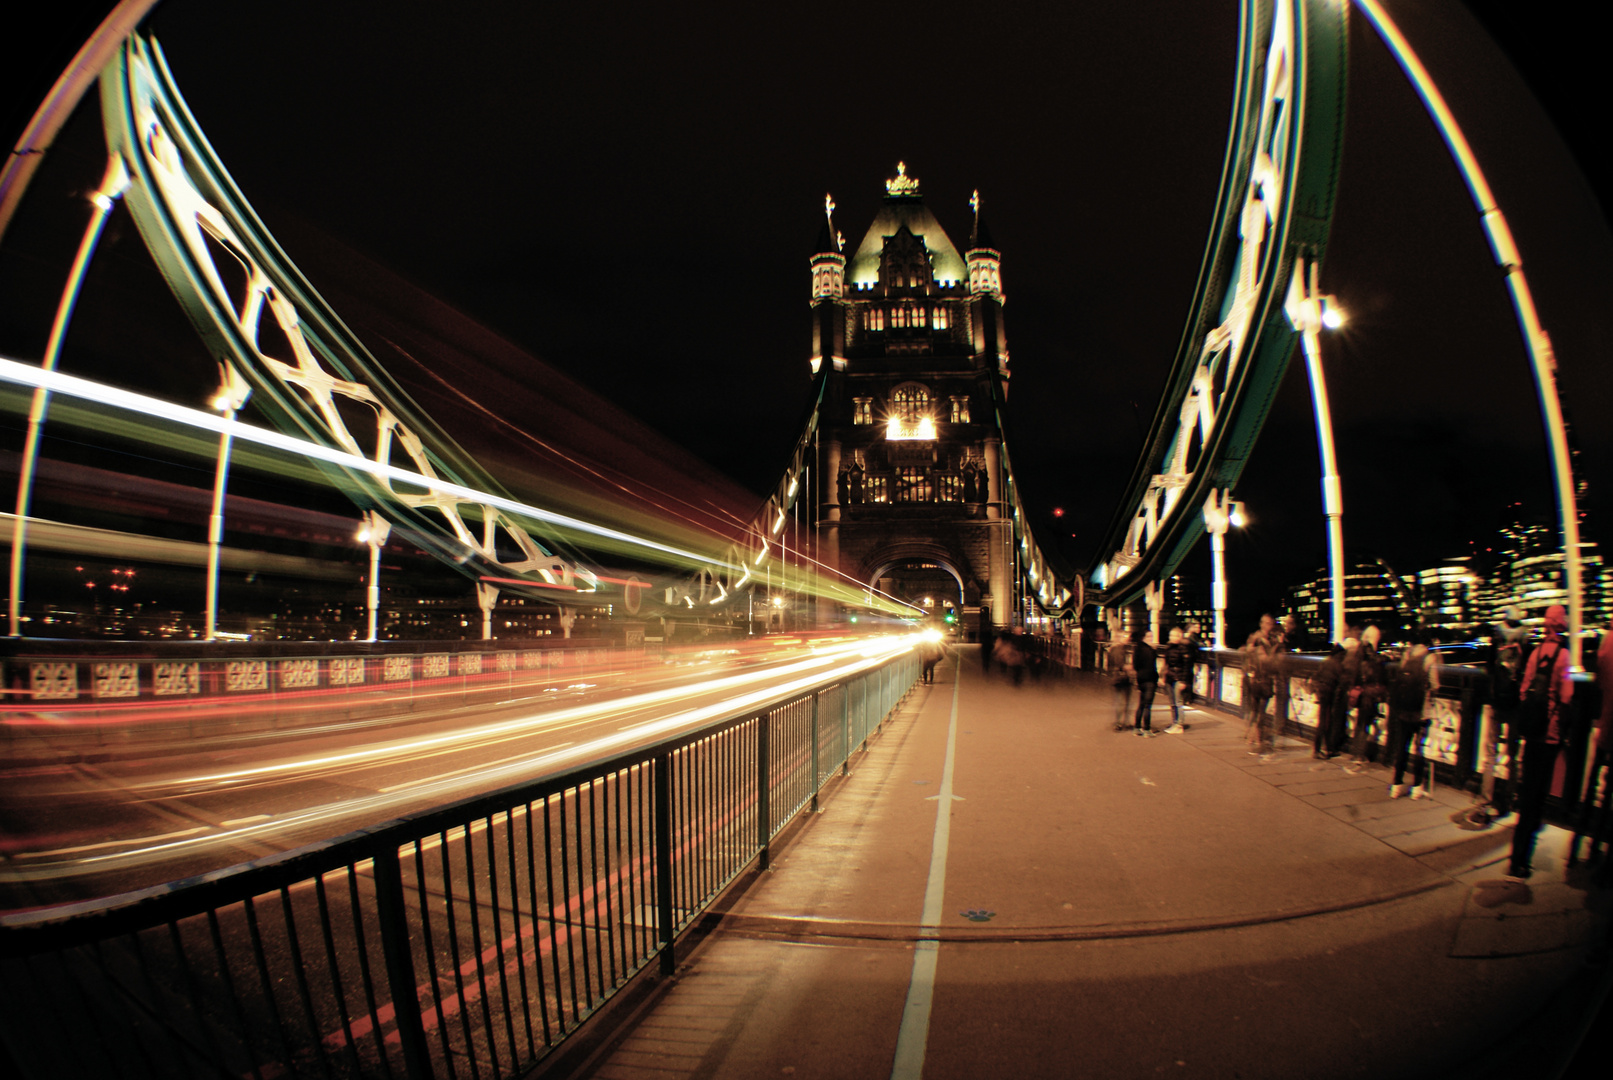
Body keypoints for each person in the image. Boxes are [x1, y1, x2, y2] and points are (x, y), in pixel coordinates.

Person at [1507, 604, 1575, 881]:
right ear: (1560, 624)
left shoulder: (1535, 653)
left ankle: (1516, 857)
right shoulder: (1564, 656)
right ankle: (1524, 860)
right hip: (1549, 734)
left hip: (1531, 732)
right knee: (1538, 796)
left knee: (1527, 793)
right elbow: (1567, 695)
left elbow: (1523, 690)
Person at [1471, 609, 1529, 823]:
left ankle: (1486, 799)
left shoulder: (1496, 634)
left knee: (1490, 754)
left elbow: (1488, 669)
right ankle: (1510, 798)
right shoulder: (1525, 636)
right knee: (1513, 755)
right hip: (1515, 703)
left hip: (1496, 702)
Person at [1386, 633, 1440, 798]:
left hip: (1403, 709)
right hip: (1421, 711)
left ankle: (1396, 785)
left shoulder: (1407, 655)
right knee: (1419, 748)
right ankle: (1417, 787)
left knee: (1402, 746)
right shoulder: (1430, 658)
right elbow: (1435, 684)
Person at [1345, 625, 1387, 768]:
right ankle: (1360, 754)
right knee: (1365, 723)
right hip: (1368, 692)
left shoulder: (1358, 651)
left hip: (1359, 691)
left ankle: (1356, 752)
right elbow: (1375, 668)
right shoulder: (1369, 652)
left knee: (1360, 723)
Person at [1244, 614, 1280, 754]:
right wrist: (1277, 647)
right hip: (1260, 680)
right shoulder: (1261, 640)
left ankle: (1251, 737)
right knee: (1259, 712)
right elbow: (1266, 660)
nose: (1270, 626)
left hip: (1254, 679)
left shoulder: (1255, 638)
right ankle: (1258, 741)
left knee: (1255, 711)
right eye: (1269, 623)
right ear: (1263, 624)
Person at [1311, 641, 1347, 759]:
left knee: (1324, 721)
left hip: (1322, 693)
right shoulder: (1337, 665)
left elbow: (1316, 676)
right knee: (1325, 722)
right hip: (1328, 694)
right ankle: (1319, 749)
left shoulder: (1325, 662)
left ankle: (1325, 748)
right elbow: (1342, 681)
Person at [1161, 627, 1189, 733]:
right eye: (1170, 635)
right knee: (1172, 702)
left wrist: (1183, 681)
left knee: (1178, 702)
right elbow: (1166, 663)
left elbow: (1187, 666)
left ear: (1180, 636)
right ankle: (1174, 722)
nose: (1171, 637)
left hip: (1178, 677)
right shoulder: (1168, 647)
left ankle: (1179, 724)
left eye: (1174, 635)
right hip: (1170, 676)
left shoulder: (1184, 648)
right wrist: (1163, 675)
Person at [1131, 629, 1159, 736]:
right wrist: (1153, 650)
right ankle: (1147, 729)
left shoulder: (1137, 648)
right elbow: (1152, 664)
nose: (1151, 639)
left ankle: (1137, 727)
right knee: (1148, 705)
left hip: (1141, 678)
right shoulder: (1149, 650)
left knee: (1141, 704)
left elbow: (1135, 665)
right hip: (1150, 679)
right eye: (1149, 637)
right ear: (1144, 638)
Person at [1109, 633, 1134, 731]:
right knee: (1124, 701)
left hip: (1116, 677)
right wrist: (1130, 668)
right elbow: (1121, 664)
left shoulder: (1114, 649)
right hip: (1122, 678)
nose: (1128, 639)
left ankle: (1121, 722)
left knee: (1120, 700)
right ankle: (1121, 722)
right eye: (1125, 637)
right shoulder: (1120, 650)